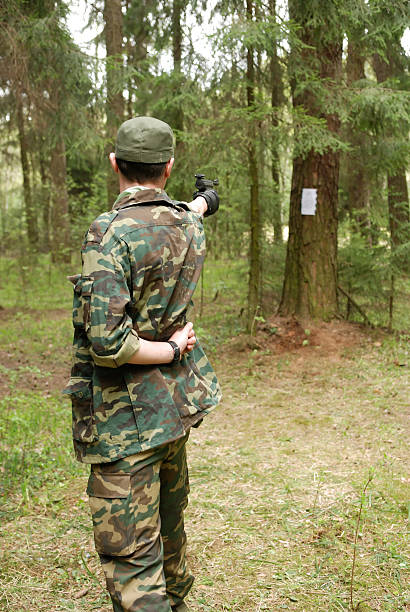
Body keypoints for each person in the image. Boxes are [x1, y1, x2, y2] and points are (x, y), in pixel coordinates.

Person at [64, 116, 222, 612]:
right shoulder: (186, 223)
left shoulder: (108, 233)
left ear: (115, 163)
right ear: (169, 168)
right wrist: (205, 200)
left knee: (135, 565)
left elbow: (108, 343)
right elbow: (190, 211)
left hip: (123, 423)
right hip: (174, 410)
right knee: (169, 537)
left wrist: (171, 349)